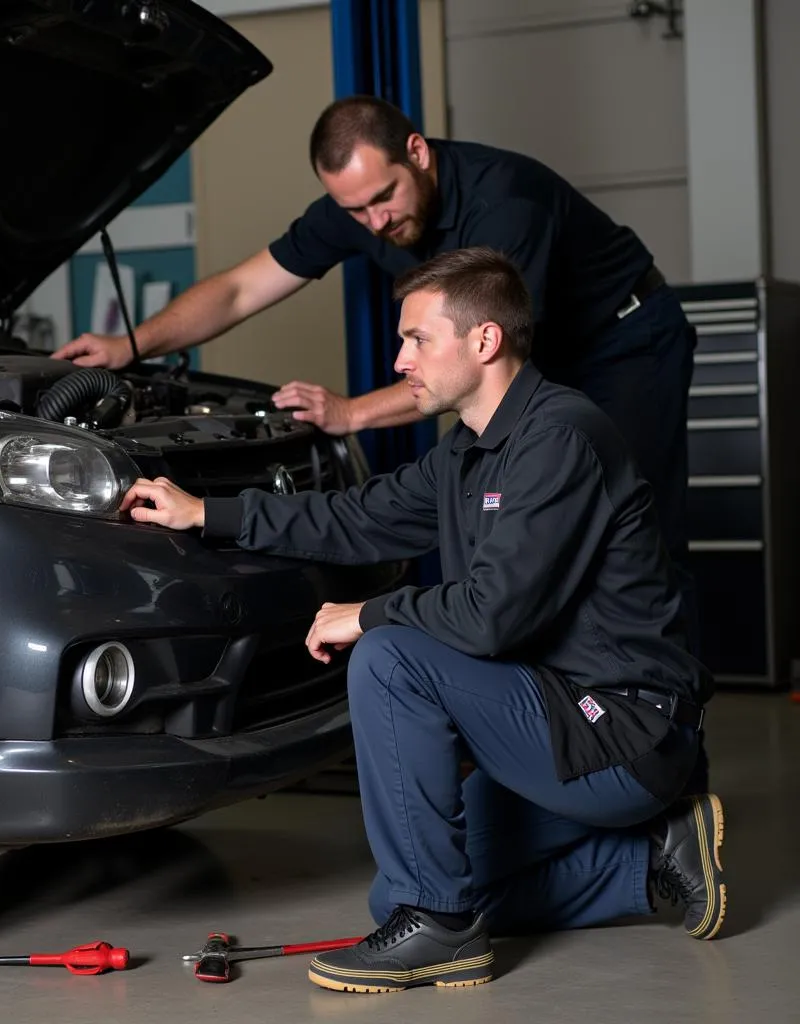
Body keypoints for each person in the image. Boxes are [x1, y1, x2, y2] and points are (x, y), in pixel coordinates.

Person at [54, 97, 708, 794]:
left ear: (418, 154)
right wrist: (129, 346)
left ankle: (663, 757)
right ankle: (539, 729)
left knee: (640, 544)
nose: (374, 223)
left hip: (623, 344)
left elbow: (479, 364)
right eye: (355, 211)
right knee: (495, 529)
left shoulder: (506, 204)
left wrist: (353, 413)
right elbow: (243, 289)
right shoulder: (358, 205)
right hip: (524, 360)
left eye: (382, 198)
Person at [116, 248, 725, 995]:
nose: (401, 358)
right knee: (401, 892)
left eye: (416, 339)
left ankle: (442, 931)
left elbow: (491, 618)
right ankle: (655, 857)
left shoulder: (560, 438)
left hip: (623, 728)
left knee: (390, 657)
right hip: (553, 718)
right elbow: (354, 517)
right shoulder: (466, 452)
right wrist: (208, 512)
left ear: (484, 341)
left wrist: (366, 614)